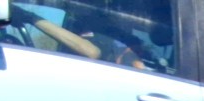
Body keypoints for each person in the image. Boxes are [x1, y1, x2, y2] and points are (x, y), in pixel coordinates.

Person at [9, 5, 147, 70]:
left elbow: (91, 52)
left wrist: (31, 18)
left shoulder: (121, 41)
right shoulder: (81, 30)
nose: (78, 15)